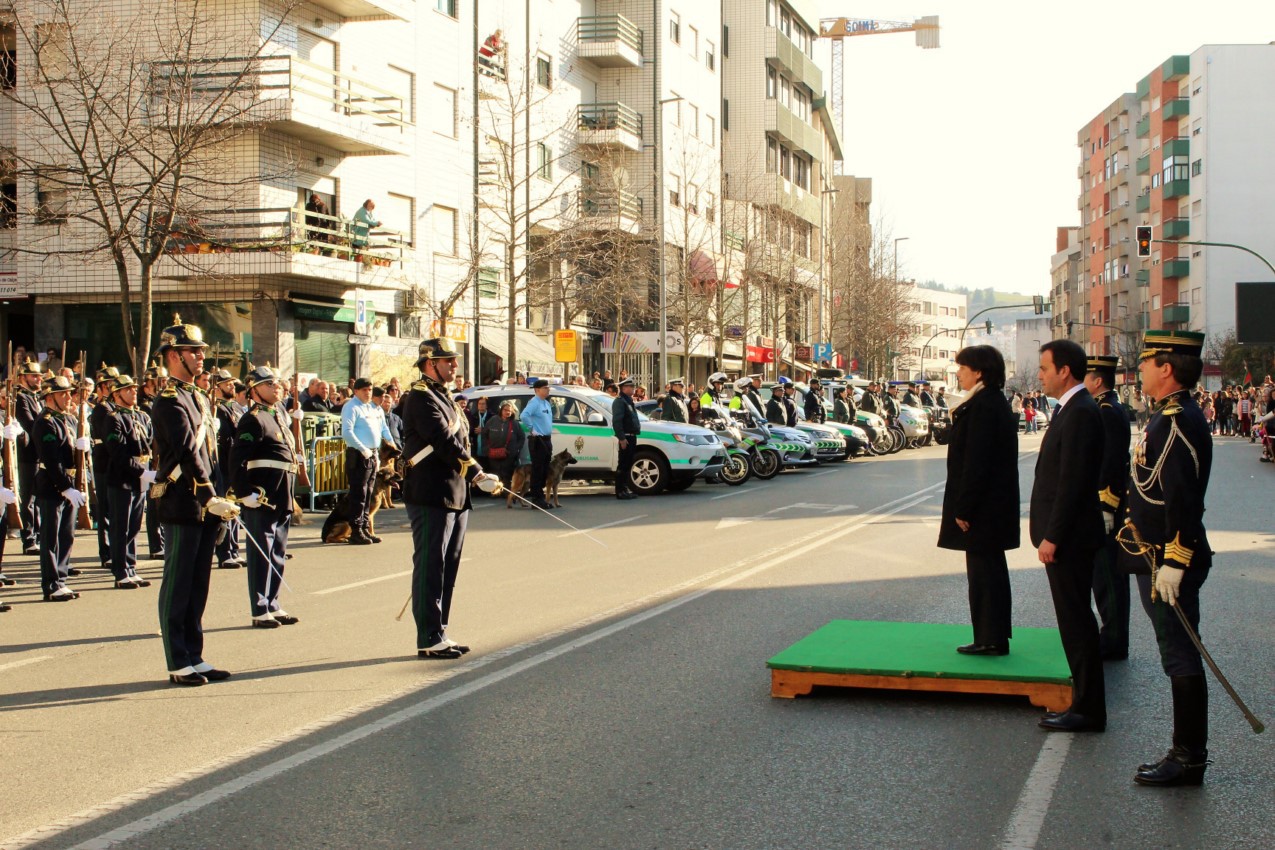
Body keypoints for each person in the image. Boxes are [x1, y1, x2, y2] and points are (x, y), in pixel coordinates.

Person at [1122, 330, 1214, 786]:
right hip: (1154, 556)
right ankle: (1187, 752)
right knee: (1174, 653)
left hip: (1167, 561)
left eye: (1146, 362)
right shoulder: (1165, 416)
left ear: (1167, 368)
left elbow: (1182, 498)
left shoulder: (1177, 421)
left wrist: (1176, 560)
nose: (1140, 370)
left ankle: (1188, 756)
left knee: (1179, 655)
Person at [151, 315, 241, 686]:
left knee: (199, 581)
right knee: (178, 581)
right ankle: (177, 659)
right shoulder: (170, 400)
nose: (201, 357)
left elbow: (211, 454)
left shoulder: (198, 396)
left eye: (201, 350)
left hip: (206, 500)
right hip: (182, 500)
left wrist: (223, 495)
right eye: (193, 351)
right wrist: (208, 495)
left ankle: (194, 653)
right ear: (173, 356)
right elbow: (187, 453)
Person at [401, 338, 501, 659]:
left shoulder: (443, 396)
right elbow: (444, 441)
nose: (455, 366)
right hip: (431, 491)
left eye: (454, 361)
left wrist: (472, 477)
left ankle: (439, 630)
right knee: (431, 564)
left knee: (447, 565)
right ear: (430, 364)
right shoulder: (419, 398)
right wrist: (477, 473)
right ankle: (427, 635)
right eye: (448, 361)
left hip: (454, 490)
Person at [1031, 339, 1106, 733]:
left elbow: (1072, 483)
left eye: (1044, 368)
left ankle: (1088, 709)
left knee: (1077, 624)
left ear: (1065, 371)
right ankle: (1084, 702)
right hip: (1069, 536)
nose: (1040, 375)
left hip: (1070, 539)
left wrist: (1052, 536)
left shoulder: (1079, 411)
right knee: (1074, 622)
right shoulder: (1071, 409)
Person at [938, 346, 1020, 656]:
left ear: (980, 371)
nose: (958, 372)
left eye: (962, 367)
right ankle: (991, 635)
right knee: (987, 572)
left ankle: (991, 638)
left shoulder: (984, 405)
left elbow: (977, 462)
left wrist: (964, 507)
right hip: (990, 507)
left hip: (984, 509)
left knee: (986, 575)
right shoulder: (986, 401)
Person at [232, 364, 302, 628]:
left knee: (278, 551)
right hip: (263, 492)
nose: (277, 388)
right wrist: (242, 492)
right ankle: (260, 608)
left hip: (282, 489)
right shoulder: (253, 418)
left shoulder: (278, 415)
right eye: (269, 384)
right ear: (254, 389)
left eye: (277, 384)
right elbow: (236, 459)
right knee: (262, 551)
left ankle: (273, 602)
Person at [1084, 355, 1132, 662]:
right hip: (1100, 504)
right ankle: (1111, 635)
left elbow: (1112, 462)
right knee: (1101, 575)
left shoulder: (1107, 411)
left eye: (1085, 376)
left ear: (1098, 380)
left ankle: (1114, 639)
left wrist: (1106, 506)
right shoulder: (1104, 408)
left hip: (1106, 507)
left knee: (1108, 576)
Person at [33, 375, 88, 601]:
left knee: (66, 534)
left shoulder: (70, 420)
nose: (69, 397)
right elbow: (51, 460)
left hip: (69, 484)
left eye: (69, 393)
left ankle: (62, 579)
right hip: (52, 485)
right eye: (63, 393)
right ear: (50, 396)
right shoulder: (45, 421)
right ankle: (51, 583)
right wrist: (66, 488)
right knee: (51, 537)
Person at [103, 375, 155, 589]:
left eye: (134, 389)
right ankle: (120, 571)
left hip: (140, 477)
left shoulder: (142, 416)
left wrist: (147, 471)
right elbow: (118, 453)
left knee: (134, 527)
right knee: (120, 527)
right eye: (128, 390)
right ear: (116, 394)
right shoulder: (113, 418)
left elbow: (149, 442)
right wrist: (140, 472)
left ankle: (131, 567)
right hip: (123, 478)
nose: (134, 392)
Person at [342, 377, 397, 544]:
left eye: (370, 390)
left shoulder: (372, 408)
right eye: (364, 390)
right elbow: (347, 432)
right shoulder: (352, 407)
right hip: (359, 454)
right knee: (359, 493)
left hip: (373, 454)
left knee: (368, 493)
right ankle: (356, 530)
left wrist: (391, 443)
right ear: (356, 391)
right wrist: (363, 449)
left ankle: (365, 527)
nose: (368, 393)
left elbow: (382, 428)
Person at [212, 369, 244, 569]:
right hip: (222, 465)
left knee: (234, 508)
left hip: (234, 464)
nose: (232, 386)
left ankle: (233, 548)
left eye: (232, 382)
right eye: (227, 383)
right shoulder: (216, 409)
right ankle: (224, 552)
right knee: (225, 510)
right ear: (217, 388)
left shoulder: (234, 408)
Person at [89, 363, 120, 570]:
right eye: (108, 385)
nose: (112, 389)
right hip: (103, 462)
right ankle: (106, 551)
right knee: (105, 510)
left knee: (114, 509)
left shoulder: (113, 407)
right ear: (100, 388)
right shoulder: (102, 408)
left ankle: (114, 550)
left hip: (111, 462)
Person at [13, 359, 43, 555]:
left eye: (39, 376)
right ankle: (29, 538)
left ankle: (38, 535)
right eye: (34, 376)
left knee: (37, 497)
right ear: (23, 378)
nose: (38, 379)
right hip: (28, 453)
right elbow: (30, 425)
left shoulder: (36, 398)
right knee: (28, 498)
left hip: (39, 453)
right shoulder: (21, 398)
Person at [522, 378, 555, 510]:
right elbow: (524, 415)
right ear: (537, 390)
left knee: (545, 469)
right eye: (545, 388)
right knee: (538, 469)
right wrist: (532, 429)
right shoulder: (534, 402)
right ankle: (537, 498)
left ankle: (540, 495)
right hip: (538, 439)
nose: (548, 390)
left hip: (547, 439)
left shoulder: (545, 403)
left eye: (548, 388)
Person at [482, 400, 524, 492]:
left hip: (509, 454)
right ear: (501, 410)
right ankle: (495, 491)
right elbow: (484, 434)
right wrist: (486, 448)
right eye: (505, 410)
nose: (507, 412)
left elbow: (521, 438)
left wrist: (516, 450)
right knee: (494, 474)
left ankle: (506, 492)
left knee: (507, 474)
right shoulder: (492, 420)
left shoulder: (515, 424)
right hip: (493, 453)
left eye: (510, 410)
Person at [612, 377, 641, 500]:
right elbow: (617, 421)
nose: (633, 388)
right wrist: (622, 438)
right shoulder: (620, 401)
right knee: (623, 464)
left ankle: (625, 488)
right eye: (631, 387)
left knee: (628, 463)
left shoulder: (628, 401)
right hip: (626, 437)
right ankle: (620, 490)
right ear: (624, 388)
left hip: (632, 436)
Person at [467, 396, 492, 473]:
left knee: (488, 471)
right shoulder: (473, 416)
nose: (481, 405)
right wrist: (474, 430)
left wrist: (483, 430)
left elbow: (495, 431)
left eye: (483, 404)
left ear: (487, 405)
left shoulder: (492, 416)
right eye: (479, 404)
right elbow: (468, 429)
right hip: (476, 449)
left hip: (489, 450)